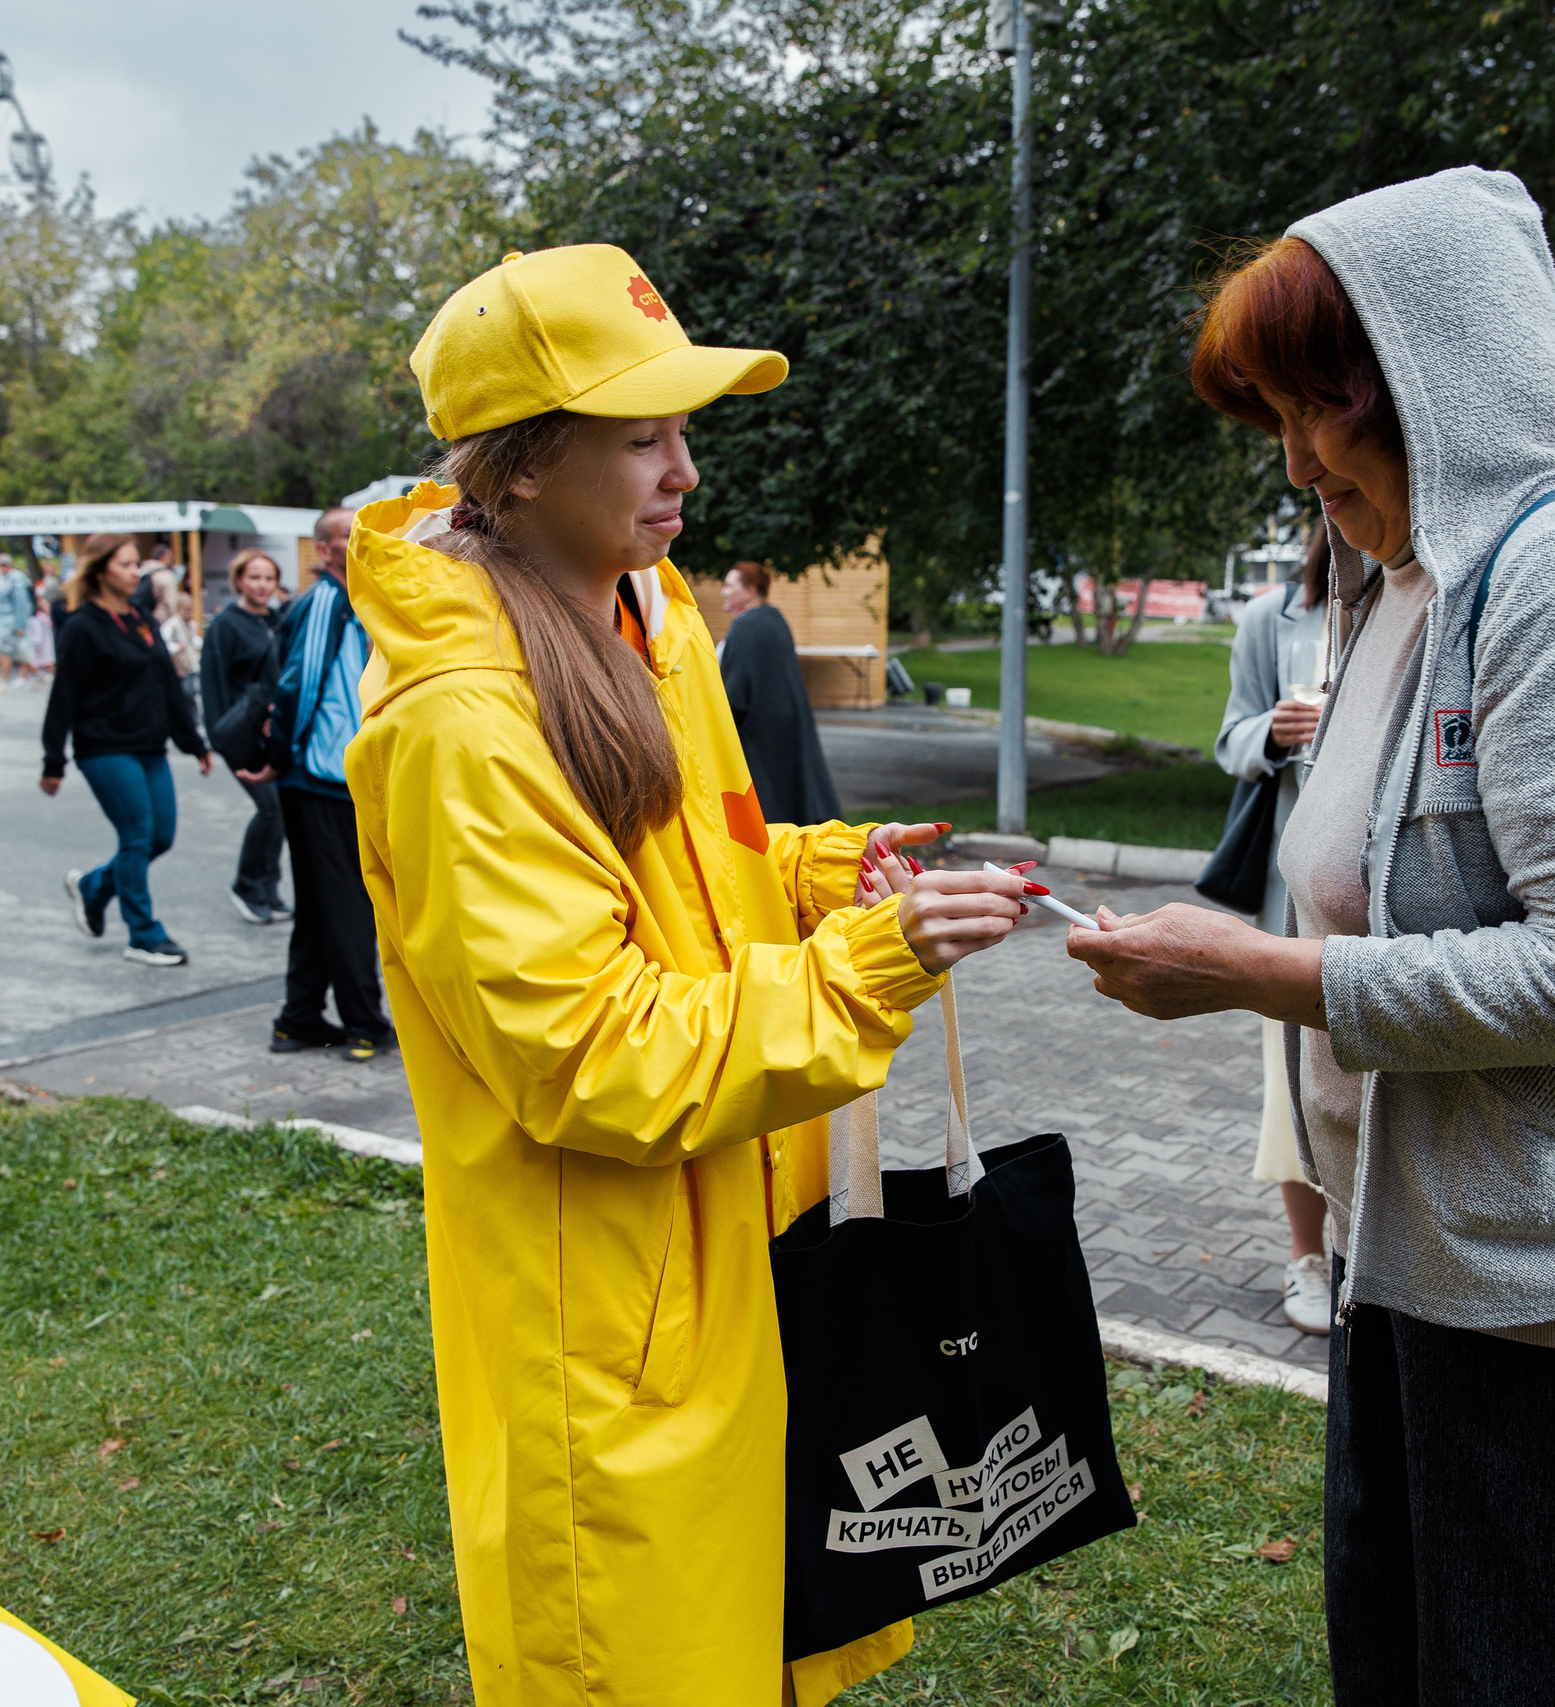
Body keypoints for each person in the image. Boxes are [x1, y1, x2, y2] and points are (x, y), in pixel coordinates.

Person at [1065, 170, 1555, 1705]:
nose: (1300, 452)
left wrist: (1261, 975)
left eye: (1325, 399)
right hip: (1420, 1264)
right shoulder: (1405, 584)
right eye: (1276, 411)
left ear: (1448, 365)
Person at [347, 243, 1030, 1707]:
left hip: (728, 1262)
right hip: (607, 1327)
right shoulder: (462, 725)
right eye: (642, 433)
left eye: (684, 426)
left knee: (750, 1642)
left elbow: (697, 864)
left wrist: (824, 873)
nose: (687, 472)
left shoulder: (647, 619)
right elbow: (590, 1051)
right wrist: (865, 966)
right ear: (519, 469)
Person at [1215, 523, 1334, 1334]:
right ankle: (1308, 1258)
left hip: (1389, 902)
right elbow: (1230, 739)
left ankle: (1371, 1260)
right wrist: (1274, 733)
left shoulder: (1417, 605)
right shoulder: (1274, 616)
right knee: (1296, 1090)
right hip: (1293, 898)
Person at [237, 509, 391, 1058]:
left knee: (322, 904)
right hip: (323, 779)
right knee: (350, 904)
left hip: (327, 778)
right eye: (348, 535)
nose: (363, 540)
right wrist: (279, 760)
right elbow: (297, 690)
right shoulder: (326, 601)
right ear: (323, 550)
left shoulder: (358, 599)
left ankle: (297, 1019)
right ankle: (364, 1025)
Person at [40, 533, 213, 967]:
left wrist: (194, 742)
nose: (137, 573)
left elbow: (169, 686)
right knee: (136, 835)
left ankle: (94, 887)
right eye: (127, 565)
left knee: (160, 837)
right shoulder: (82, 626)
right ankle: (143, 934)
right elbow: (63, 695)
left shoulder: (139, 618)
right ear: (100, 570)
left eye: (137, 564)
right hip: (104, 747)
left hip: (149, 745)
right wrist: (53, 760)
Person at [201, 548, 290, 927]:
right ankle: (245, 886)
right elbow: (213, 684)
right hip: (240, 733)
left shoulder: (277, 619)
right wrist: (220, 736)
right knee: (269, 808)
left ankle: (268, 890)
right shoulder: (225, 625)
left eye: (269, 578)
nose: (262, 585)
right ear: (239, 580)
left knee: (282, 812)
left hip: (275, 730)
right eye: (254, 577)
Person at [717, 558, 843, 822]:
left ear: (750, 590)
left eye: (729, 586)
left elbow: (734, 695)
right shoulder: (774, 620)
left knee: (768, 809)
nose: (723, 592)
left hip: (758, 738)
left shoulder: (746, 626)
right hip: (784, 729)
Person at [0, 555, 34, 690]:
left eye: (5, 564)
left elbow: (21, 603)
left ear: (11, 565)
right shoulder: (1, 578)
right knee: (15, 652)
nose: (2, 567)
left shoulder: (16, 579)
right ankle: (39, 675)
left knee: (4, 651)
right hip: (2, 621)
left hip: (12, 621)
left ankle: (5, 681)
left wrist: (21, 625)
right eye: (0, 565)